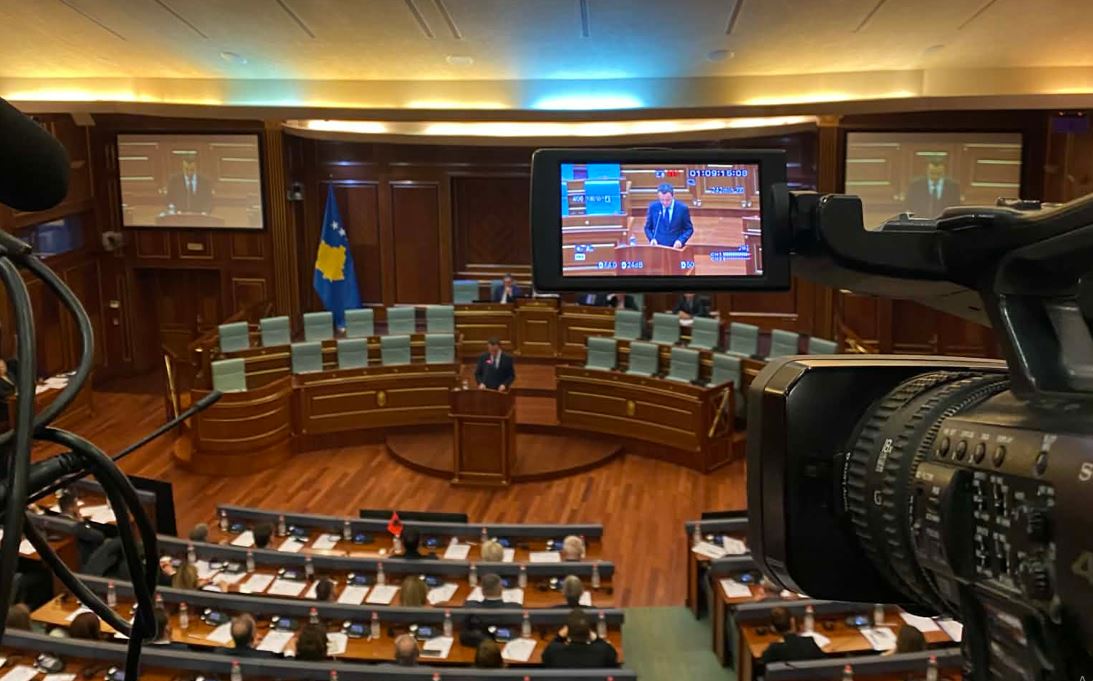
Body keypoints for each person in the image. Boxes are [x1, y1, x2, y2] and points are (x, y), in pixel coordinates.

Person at [541, 608, 618, 668]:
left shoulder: (554, 650)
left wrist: (559, 636)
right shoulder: (603, 651)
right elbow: (613, 656)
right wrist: (597, 639)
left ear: (567, 632)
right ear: (589, 633)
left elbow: (545, 657)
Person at [759, 606, 825, 666]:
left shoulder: (773, 650)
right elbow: (826, 664)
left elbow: (762, 665)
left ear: (773, 628)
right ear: (792, 621)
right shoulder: (809, 642)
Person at [57, 487, 105, 566]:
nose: (78, 508)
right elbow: (99, 536)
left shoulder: (55, 521)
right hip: (84, 560)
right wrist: (82, 522)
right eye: (76, 505)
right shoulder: (75, 526)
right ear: (71, 508)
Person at [642, 183, 693, 248]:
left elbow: (689, 229)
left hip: (676, 248)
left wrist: (680, 241)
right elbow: (647, 228)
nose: (665, 203)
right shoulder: (653, 207)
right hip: (658, 247)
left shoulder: (682, 208)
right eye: (662, 200)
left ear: (673, 196)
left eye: (668, 200)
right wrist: (652, 239)